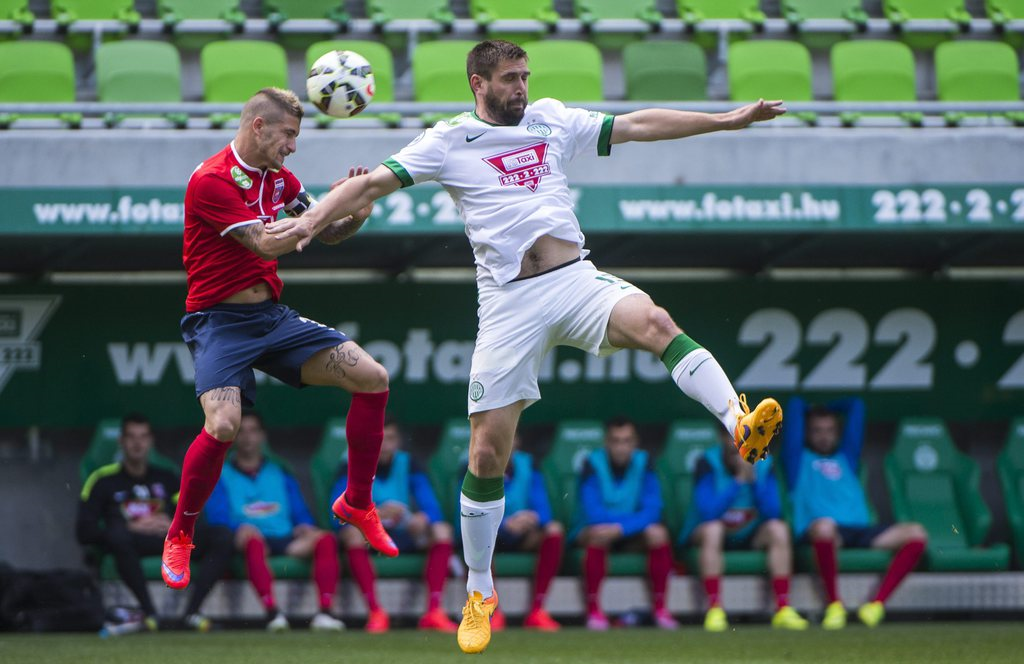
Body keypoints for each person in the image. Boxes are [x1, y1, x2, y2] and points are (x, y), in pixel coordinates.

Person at [267, 41, 787, 653]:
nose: (521, 87)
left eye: (525, 76)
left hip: (574, 280)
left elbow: (639, 124)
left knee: (656, 322)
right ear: (477, 83)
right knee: (488, 453)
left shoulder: (551, 119)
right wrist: (308, 222)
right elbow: (372, 185)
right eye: (510, 78)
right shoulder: (448, 140)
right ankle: (479, 592)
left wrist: (726, 119)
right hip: (509, 304)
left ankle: (737, 421)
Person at [161, 87, 395, 594]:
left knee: (373, 377)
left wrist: (355, 213)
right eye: (288, 134)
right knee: (224, 424)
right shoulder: (211, 180)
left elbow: (325, 234)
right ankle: (180, 533)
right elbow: (266, 242)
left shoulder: (282, 179)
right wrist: (319, 215)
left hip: (270, 318)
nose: (293, 146)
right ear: (258, 126)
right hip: (218, 322)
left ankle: (357, 502)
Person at [77, 413, 234, 631]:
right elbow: (84, 531)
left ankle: (192, 613)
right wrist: (127, 526)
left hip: (168, 540)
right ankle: (150, 613)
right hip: (130, 544)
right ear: (121, 441)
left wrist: (174, 523)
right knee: (118, 537)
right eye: (131, 437)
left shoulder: (167, 477)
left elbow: (195, 515)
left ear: (151, 441)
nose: (137, 443)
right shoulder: (102, 480)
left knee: (222, 536)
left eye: (143, 437)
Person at [782, 397, 928, 629]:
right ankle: (834, 605)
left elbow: (857, 405)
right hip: (824, 531)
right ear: (807, 434)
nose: (824, 436)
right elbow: (795, 405)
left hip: (860, 531)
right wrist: (813, 409)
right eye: (817, 430)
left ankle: (876, 605)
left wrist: (828, 407)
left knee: (916, 533)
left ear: (837, 434)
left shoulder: (847, 458)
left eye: (830, 430)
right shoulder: (797, 461)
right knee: (824, 527)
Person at [205, 411, 343, 631]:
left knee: (325, 539)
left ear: (263, 436)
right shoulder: (221, 474)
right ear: (233, 437)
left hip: (285, 538)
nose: (248, 437)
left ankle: (325, 613)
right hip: (250, 539)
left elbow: (299, 511)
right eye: (242, 432)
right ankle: (272, 614)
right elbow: (218, 518)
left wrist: (305, 527)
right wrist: (238, 528)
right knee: (252, 541)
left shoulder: (279, 471)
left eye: (253, 431)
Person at [329, 419, 458, 633]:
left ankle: (434, 611)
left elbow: (431, 507)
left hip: (403, 533)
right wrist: (374, 514)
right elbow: (337, 513)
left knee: (442, 530)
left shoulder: (408, 463)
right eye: (378, 439)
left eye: (389, 439)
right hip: (369, 536)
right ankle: (375, 612)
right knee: (351, 534)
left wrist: (423, 518)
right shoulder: (351, 465)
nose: (384, 445)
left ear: (397, 441)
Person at [679, 429, 807, 632]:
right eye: (733, 436)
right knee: (713, 529)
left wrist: (754, 481)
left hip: (751, 534)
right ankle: (714, 608)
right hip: (714, 534)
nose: (739, 443)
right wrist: (738, 481)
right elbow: (708, 512)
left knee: (778, 529)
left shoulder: (764, 462)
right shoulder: (707, 462)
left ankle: (782, 607)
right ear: (722, 437)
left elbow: (773, 512)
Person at [573, 417, 676, 632]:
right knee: (597, 533)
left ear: (635, 442)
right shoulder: (592, 463)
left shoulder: (645, 462)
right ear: (606, 442)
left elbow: (653, 510)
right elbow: (593, 512)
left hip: (629, 533)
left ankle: (660, 609)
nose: (621, 447)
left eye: (627, 441)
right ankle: (594, 611)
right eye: (616, 441)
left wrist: (621, 528)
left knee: (658, 533)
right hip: (599, 530)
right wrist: (617, 528)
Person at [487, 432, 564, 632]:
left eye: (509, 437)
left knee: (553, 530)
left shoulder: (529, 465)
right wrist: (504, 524)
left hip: (522, 535)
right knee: (478, 537)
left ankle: (538, 610)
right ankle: (491, 611)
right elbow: (464, 516)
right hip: (491, 537)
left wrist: (532, 518)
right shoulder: (475, 466)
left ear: (517, 442)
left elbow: (544, 510)